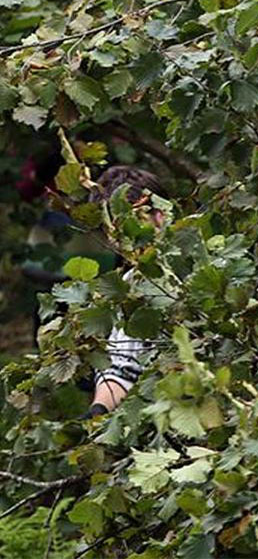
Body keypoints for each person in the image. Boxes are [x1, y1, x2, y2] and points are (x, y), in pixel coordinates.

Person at [83, 166, 168, 417]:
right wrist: (97, 414)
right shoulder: (127, 288)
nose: (118, 239)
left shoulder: (213, 258)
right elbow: (120, 368)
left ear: (161, 214)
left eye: (132, 222)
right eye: (112, 229)